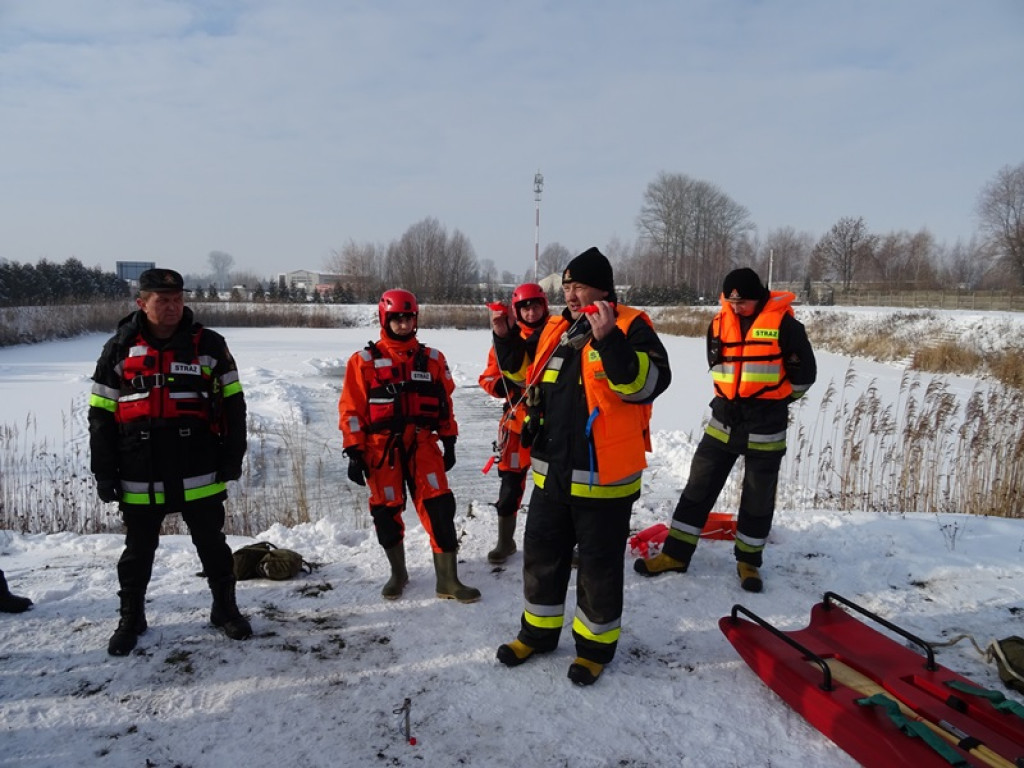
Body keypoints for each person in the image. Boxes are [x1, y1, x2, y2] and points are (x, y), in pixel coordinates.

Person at [491, 247, 671, 686]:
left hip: (603, 481)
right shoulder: (560, 329)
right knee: (541, 559)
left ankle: (594, 649)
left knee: (598, 570)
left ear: (603, 288)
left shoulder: (631, 327)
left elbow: (646, 384)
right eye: (567, 287)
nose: (570, 294)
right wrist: (503, 337)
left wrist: (609, 339)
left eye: (579, 286)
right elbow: (523, 379)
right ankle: (537, 634)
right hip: (551, 475)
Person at [89, 267, 251, 656]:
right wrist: (104, 471)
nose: (172, 307)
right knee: (138, 551)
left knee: (212, 544)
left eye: (178, 299)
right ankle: (131, 617)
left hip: (198, 465)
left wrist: (233, 456)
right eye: (162, 301)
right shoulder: (118, 348)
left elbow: (234, 405)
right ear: (141, 303)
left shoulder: (210, 344)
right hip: (138, 468)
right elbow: (100, 414)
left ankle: (225, 609)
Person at [634, 267, 816, 592]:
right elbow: (718, 367)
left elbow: (804, 377)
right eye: (730, 302)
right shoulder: (718, 324)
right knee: (698, 487)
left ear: (758, 298)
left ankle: (748, 562)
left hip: (765, 423)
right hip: (724, 420)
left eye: (742, 303)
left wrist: (774, 401)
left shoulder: (786, 326)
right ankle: (675, 554)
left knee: (758, 498)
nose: (735, 308)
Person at [339, 289, 480, 603]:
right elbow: (351, 410)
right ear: (385, 319)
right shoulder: (362, 361)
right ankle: (398, 573)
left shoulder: (432, 359)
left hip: (423, 444)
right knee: (386, 512)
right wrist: (353, 450)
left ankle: (448, 580)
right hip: (380, 450)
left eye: (408, 318)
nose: (403, 324)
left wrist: (450, 439)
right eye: (397, 318)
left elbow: (445, 404)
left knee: (440, 507)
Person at [478, 283, 550, 564]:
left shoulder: (557, 334)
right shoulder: (504, 339)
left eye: (536, 306)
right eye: (525, 308)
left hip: (551, 424)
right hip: (516, 425)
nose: (531, 312)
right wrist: (502, 385)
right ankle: (505, 542)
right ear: (516, 311)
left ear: (544, 306)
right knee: (510, 486)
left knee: (555, 488)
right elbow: (486, 377)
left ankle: (557, 542)